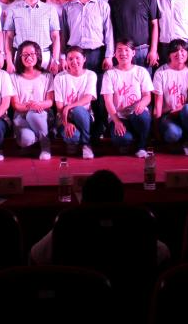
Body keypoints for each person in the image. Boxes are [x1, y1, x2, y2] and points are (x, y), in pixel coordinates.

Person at [29, 169, 171, 266]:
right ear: (121, 200)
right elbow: (164, 254)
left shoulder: (68, 222)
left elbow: (34, 257)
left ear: (84, 201)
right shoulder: (137, 222)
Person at [60, 0, 114, 141]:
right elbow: (64, 34)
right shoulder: (68, 7)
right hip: (74, 55)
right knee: (76, 92)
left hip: (96, 54)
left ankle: (99, 130)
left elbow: (109, 32)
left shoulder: (103, 5)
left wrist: (108, 56)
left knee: (97, 94)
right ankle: (78, 128)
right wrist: (63, 57)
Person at [101, 38, 154, 157]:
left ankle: (141, 146)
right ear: (114, 54)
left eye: (126, 50)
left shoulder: (141, 71)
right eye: (119, 50)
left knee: (143, 117)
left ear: (133, 52)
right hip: (119, 116)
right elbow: (108, 101)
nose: (123, 53)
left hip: (136, 114)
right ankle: (130, 138)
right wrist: (116, 121)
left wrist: (142, 104)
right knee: (122, 139)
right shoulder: (109, 74)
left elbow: (147, 96)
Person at [4, 0, 61, 74]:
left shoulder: (50, 10)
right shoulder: (13, 10)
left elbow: (55, 36)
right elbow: (9, 37)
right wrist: (9, 61)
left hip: (44, 56)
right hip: (21, 56)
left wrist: (55, 60)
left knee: (45, 83)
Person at [108, 0, 160, 69]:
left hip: (143, 51)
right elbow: (110, 27)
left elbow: (154, 25)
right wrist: (110, 52)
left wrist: (153, 50)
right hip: (121, 52)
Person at [153, 39, 188, 156]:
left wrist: (181, 108)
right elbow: (158, 103)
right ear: (169, 55)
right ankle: (177, 137)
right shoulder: (161, 72)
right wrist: (156, 129)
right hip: (168, 115)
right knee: (173, 134)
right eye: (175, 51)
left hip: (185, 113)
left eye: (183, 51)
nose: (179, 54)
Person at [11, 40, 55, 160]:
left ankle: (45, 146)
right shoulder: (13, 77)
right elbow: (15, 104)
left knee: (33, 114)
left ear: (38, 55)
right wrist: (31, 106)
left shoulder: (47, 75)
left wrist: (37, 105)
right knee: (26, 139)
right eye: (25, 54)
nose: (29, 57)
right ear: (19, 57)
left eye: (32, 54)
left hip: (42, 114)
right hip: (21, 117)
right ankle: (42, 135)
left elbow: (50, 102)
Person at [51, 46, 97, 159]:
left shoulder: (91, 75)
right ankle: (73, 141)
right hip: (65, 117)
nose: (74, 61)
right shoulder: (59, 77)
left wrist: (69, 107)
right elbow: (59, 106)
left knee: (78, 110)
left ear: (84, 59)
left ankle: (86, 143)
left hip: (84, 116)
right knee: (72, 136)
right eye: (70, 59)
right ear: (66, 60)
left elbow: (88, 98)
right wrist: (66, 123)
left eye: (77, 58)